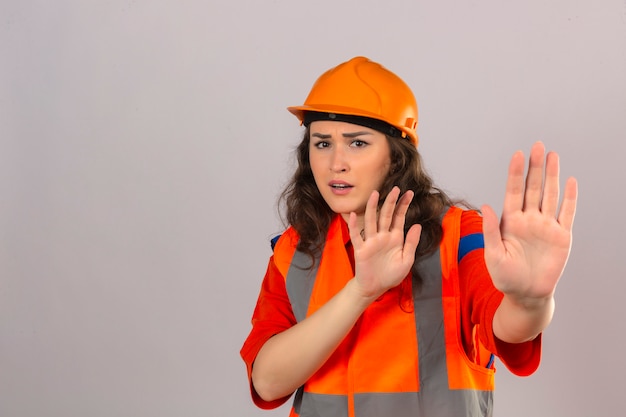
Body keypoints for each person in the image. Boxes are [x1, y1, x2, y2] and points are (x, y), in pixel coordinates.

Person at [240, 56, 578, 417]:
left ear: (396, 156)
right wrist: (360, 292)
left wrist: (530, 301)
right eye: (322, 143)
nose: (335, 162)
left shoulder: (459, 236)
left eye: (357, 143)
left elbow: (508, 328)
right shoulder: (293, 251)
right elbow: (267, 382)